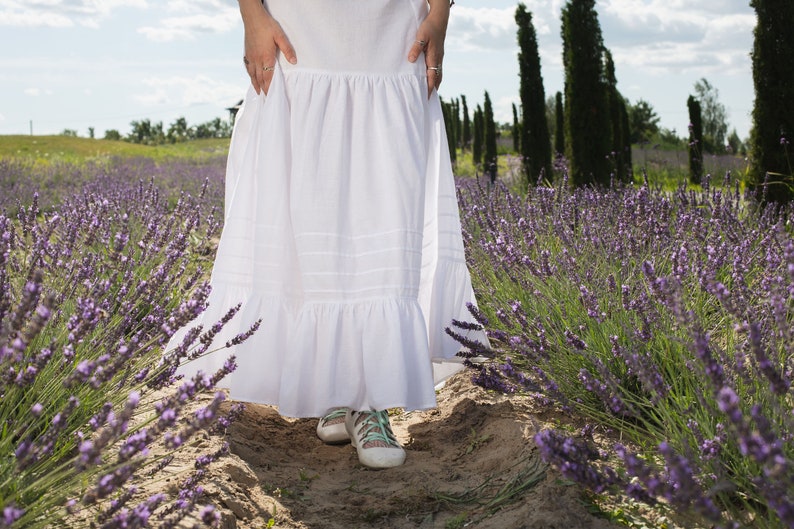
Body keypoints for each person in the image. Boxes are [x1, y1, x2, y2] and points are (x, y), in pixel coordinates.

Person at [172, 0, 486, 470]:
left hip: (390, 38)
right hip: (301, 34)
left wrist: (439, 15)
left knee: (384, 201)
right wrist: (253, 17)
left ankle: (369, 398)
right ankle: (341, 390)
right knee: (310, 207)